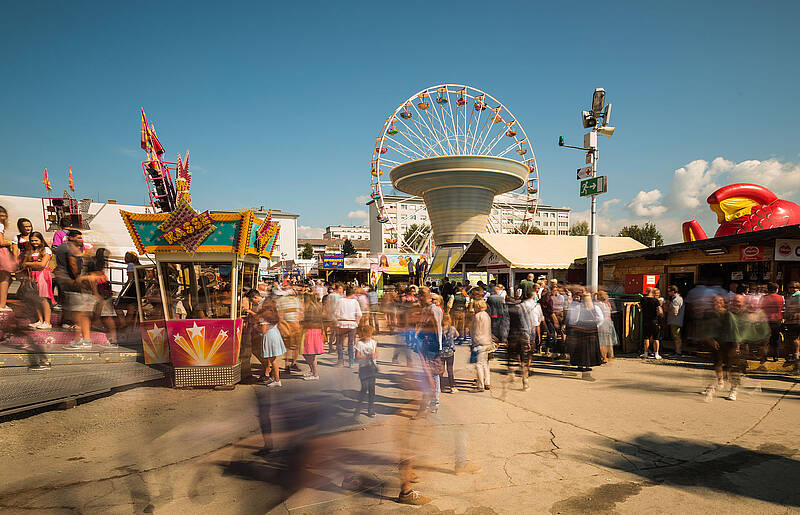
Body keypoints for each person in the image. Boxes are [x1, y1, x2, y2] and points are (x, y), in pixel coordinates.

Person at [58, 231, 94, 350]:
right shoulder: (70, 248)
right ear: (71, 237)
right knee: (81, 314)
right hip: (75, 284)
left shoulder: (64, 247)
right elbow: (73, 263)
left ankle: (79, 340)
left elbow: (73, 263)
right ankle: (85, 340)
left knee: (78, 314)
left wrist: (77, 279)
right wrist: (77, 278)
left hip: (73, 285)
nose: (80, 239)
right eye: (78, 237)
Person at [18, 231, 54, 329]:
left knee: (43, 299)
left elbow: (42, 265)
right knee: (35, 299)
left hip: (42, 275)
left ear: (41, 240)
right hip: (32, 275)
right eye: (32, 241)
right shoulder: (30, 251)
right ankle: (40, 320)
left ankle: (47, 322)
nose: (34, 242)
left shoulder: (46, 250)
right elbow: (23, 263)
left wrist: (29, 264)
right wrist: (30, 264)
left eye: (36, 240)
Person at [565, 291, 604, 380]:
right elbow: (600, 319)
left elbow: (573, 319)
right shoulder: (595, 307)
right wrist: (595, 325)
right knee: (587, 349)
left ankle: (581, 365)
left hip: (580, 330)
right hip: (590, 330)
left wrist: (574, 326)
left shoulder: (577, 307)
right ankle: (586, 368)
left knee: (581, 349)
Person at [86, 248, 118, 347]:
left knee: (102, 316)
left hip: (100, 294)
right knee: (106, 316)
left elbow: (92, 279)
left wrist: (95, 293)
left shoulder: (94, 264)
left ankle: (112, 339)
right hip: (104, 293)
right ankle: (113, 338)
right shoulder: (101, 266)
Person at [507, 294, 533, 390]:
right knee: (523, 360)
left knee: (511, 357)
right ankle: (525, 381)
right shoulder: (523, 310)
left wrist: (504, 338)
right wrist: (528, 339)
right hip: (522, 336)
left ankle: (512, 373)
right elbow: (526, 325)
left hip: (511, 336)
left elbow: (506, 324)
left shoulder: (508, 310)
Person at [258, 301, 286, 387]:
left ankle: (277, 380)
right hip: (275, 334)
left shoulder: (264, 317)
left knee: (273, 360)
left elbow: (263, 330)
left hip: (269, 336)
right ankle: (273, 378)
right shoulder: (274, 315)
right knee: (273, 359)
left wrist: (256, 328)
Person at [353, 325, 378, 418]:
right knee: (364, 388)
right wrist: (366, 356)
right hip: (363, 368)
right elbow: (357, 356)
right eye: (366, 335)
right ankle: (358, 408)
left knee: (372, 389)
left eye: (369, 335)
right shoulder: (359, 343)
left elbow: (376, 354)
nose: (368, 337)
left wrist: (373, 355)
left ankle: (371, 408)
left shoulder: (374, 342)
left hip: (372, 368)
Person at [276, 287, 303, 374]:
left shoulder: (294, 300)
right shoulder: (289, 300)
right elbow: (280, 314)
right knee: (290, 345)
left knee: (292, 345)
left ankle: (291, 363)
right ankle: (289, 363)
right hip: (291, 324)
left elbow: (299, 313)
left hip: (291, 324)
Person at [335, 286, 363, 367]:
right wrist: (356, 322)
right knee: (351, 343)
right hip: (352, 324)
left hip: (341, 323)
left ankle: (340, 361)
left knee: (340, 343)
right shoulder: (355, 302)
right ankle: (351, 362)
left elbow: (336, 313)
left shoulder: (340, 301)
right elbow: (359, 314)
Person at [759, 282, 784, 364]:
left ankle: (763, 357)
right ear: (776, 289)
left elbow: (759, 308)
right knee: (775, 339)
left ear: (768, 289)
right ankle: (775, 356)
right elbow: (782, 308)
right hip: (776, 320)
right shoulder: (781, 297)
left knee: (765, 340)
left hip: (765, 320)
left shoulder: (763, 298)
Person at [470, 299, 492, 391]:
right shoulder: (486, 315)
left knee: (479, 364)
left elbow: (475, 329)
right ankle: (487, 382)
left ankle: (480, 385)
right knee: (485, 363)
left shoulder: (477, 316)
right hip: (487, 341)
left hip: (479, 341)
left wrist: (473, 340)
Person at [301, 292, 324, 380]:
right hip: (315, 331)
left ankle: (315, 374)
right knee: (308, 352)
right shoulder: (317, 306)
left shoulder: (309, 308)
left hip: (310, 331)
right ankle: (312, 371)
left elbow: (309, 321)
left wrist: (301, 322)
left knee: (310, 353)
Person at [0, 207, 16, 312]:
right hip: (2, 252)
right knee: (5, 278)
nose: (3, 218)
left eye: (4, 216)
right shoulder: (0, 225)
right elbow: (1, 242)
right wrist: (12, 242)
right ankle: (2, 304)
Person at [639, 287, 663, 359]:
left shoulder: (642, 299)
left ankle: (645, 353)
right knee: (656, 338)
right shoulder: (655, 300)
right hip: (654, 320)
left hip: (646, 320)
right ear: (652, 292)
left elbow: (640, 307)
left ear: (646, 291)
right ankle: (656, 354)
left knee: (646, 337)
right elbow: (660, 311)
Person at [595, 291, 617, 362]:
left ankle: (603, 357)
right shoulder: (608, 304)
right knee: (608, 339)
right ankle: (611, 354)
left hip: (602, 322)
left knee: (602, 341)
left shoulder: (598, 304)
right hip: (608, 321)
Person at [440, 313, 458, 393]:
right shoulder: (452, 328)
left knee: (441, 370)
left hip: (441, 352)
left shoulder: (439, 329)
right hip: (450, 352)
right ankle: (452, 387)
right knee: (450, 369)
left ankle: (441, 386)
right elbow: (457, 335)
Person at [665, 285, 685, 356]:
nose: (668, 293)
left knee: (676, 336)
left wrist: (666, 309)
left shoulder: (675, 300)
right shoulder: (678, 298)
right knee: (676, 335)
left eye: (669, 291)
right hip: (677, 320)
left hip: (675, 320)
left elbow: (675, 312)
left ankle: (678, 351)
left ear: (673, 291)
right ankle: (678, 350)